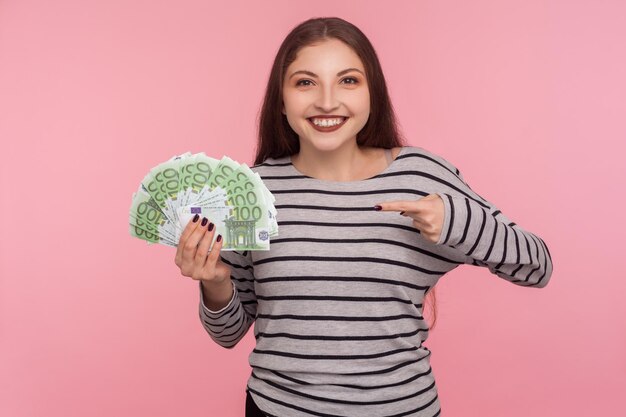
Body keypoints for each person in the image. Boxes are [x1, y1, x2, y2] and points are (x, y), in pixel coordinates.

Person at [174, 16, 553, 417]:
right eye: (305, 82)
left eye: (348, 80)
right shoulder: (252, 190)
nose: (326, 101)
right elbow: (229, 333)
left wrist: (456, 222)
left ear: (373, 93)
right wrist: (215, 284)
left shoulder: (420, 175)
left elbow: (536, 266)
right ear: (281, 101)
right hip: (276, 409)